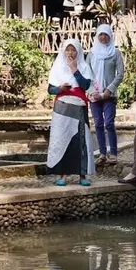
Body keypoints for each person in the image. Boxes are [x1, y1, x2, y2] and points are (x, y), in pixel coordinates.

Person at [46, 39, 95, 186]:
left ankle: (82, 175)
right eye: (68, 50)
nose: (70, 53)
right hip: (62, 107)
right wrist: (59, 88)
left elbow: (86, 85)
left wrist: (74, 69)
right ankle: (63, 175)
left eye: (73, 50)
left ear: (78, 51)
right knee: (62, 140)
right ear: (63, 51)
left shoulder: (84, 66)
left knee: (81, 139)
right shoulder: (58, 67)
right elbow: (50, 89)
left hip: (79, 105)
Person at [86, 24, 124, 166]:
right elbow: (87, 74)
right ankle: (102, 154)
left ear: (110, 36)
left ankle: (113, 153)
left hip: (110, 95)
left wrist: (110, 89)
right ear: (97, 36)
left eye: (105, 35)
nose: (103, 37)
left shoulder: (115, 53)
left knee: (109, 122)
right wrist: (91, 91)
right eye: (100, 34)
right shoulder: (91, 54)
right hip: (94, 96)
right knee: (98, 124)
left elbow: (120, 74)